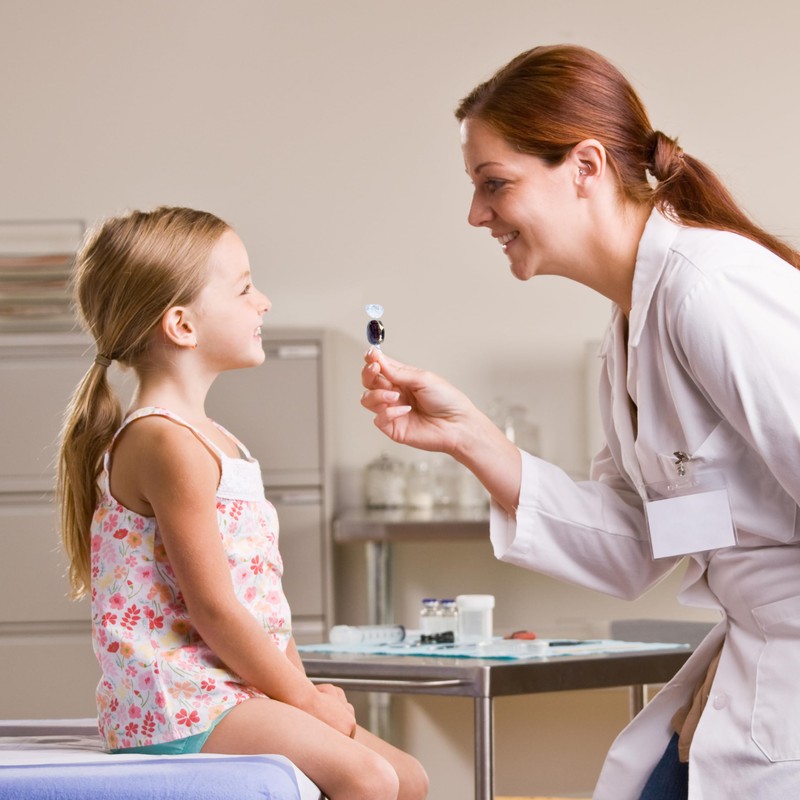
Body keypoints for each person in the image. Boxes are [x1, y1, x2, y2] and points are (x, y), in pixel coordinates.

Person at [360, 44, 800, 800]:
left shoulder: (707, 290)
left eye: (494, 184)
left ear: (586, 167)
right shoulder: (632, 329)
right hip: (757, 668)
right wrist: (471, 438)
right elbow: (636, 544)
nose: (477, 214)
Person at [57, 206, 428, 800]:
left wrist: (300, 693)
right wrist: (305, 701)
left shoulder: (216, 439)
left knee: (409, 778)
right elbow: (216, 610)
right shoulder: (163, 441)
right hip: (180, 701)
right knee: (369, 779)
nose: (264, 302)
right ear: (181, 324)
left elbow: (263, 608)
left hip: (233, 689)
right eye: (245, 287)